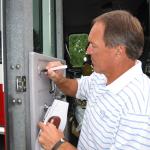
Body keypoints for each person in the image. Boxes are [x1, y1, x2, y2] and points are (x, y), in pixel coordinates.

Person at [38, 10, 150, 150]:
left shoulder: (140, 106)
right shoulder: (101, 76)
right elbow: (76, 88)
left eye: (93, 45)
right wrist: (59, 79)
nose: (88, 51)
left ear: (118, 51)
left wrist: (58, 145)